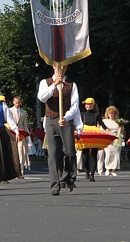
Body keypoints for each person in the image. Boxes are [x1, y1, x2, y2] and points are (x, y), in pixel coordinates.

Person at [38, 64, 83, 196]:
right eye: (59, 67)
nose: (61, 69)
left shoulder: (72, 85)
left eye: (63, 67)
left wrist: (66, 117)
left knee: (69, 152)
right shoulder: (45, 82)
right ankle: (55, 184)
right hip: (51, 121)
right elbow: (42, 97)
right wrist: (54, 85)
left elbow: (75, 106)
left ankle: (67, 176)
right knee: (53, 154)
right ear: (53, 66)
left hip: (66, 121)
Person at [80, 97, 106, 182]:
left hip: (94, 134)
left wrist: (107, 130)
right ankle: (87, 170)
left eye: (89, 104)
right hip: (85, 134)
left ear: (93, 105)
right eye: (86, 104)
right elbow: (79, 124)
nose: (87, 106)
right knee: (85, 156)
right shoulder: (82, 114)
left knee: (94, 155)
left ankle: (92, 174)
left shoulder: (96, 114)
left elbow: (102, 123)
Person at [9, 95, 30, 177]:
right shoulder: (9, 111)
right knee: (12, 151)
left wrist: (27, 137)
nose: (17, 104)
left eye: (18, 103)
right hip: (12, 133)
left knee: (21, 151)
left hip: (21, 135)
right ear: (13, 102)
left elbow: (25, 125)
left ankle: (21, 170)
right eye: (16, 103)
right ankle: (13, 169)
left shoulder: (23, 112)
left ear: (20, 103)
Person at [102, 106, 123, 176]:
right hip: (107, 139)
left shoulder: (118, 121)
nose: (111, 115)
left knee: (116, 154)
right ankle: (107, 169)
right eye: (109, 113)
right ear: (107, 114)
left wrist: (120, 129)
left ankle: (114, 170)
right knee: (108, 154)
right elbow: (102, 130)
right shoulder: (104, 121)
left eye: (112, 113)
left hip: (116, 138)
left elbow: (122, 131)